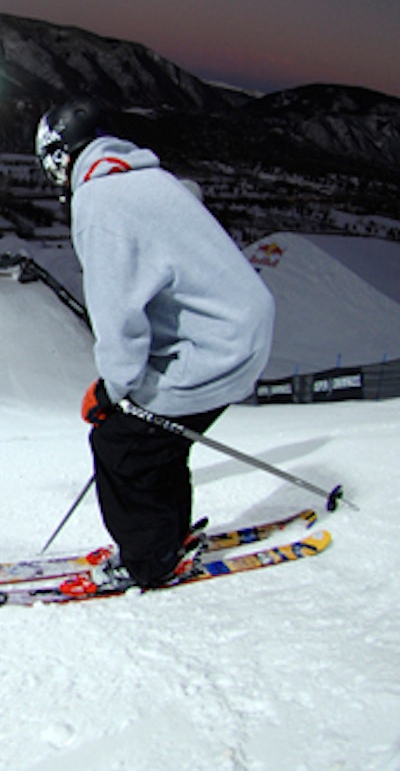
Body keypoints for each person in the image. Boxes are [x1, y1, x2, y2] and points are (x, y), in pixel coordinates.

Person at [34, 98, 275, 590]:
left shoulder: (99, 202)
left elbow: (117, 311)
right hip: (237, 333)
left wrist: (112, 390)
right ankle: (166, 534)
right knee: (157, 438)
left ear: (60, 156)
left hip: (214, 349)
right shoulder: (147, 178)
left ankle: (150, 559)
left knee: (120, 440)